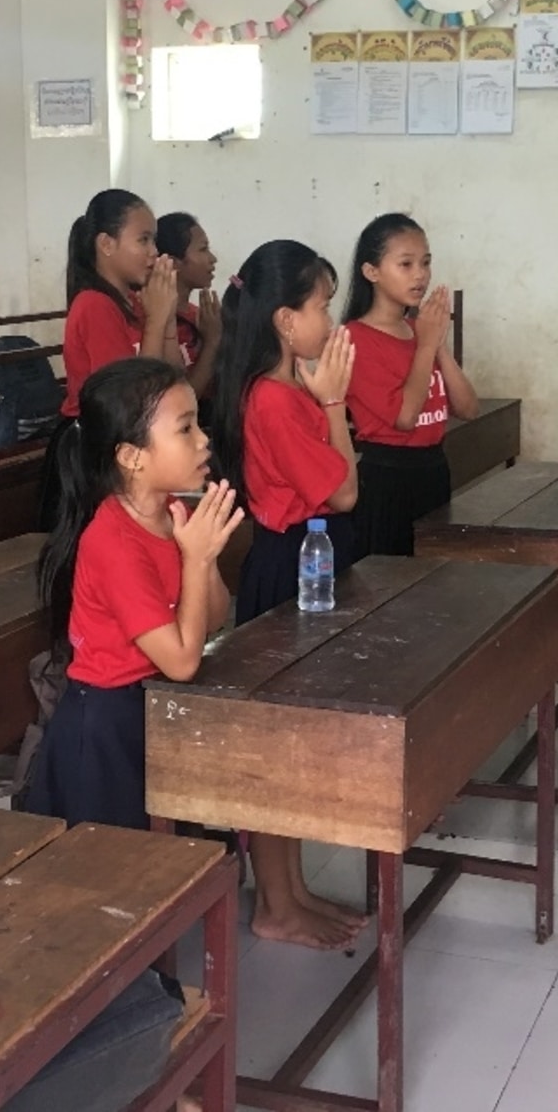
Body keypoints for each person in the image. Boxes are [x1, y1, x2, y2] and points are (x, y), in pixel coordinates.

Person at [210, 238, 368, 950]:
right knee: (275, 745)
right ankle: (275, 903)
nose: (331, 322)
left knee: (294, 738)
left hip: (300, 559)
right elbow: (344, 486)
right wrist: (334, 402)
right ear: (282, 318)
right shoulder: (274, 399)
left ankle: (293, 890)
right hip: (283, 567)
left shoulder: (284, 386)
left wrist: (325, 401)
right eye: (321, 305)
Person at [23, 359, 243, 831]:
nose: (204, 440)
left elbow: (215, 618)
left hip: (154, 707)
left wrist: (202, 559)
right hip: (107, 724)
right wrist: (197, 560)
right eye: (185, 429)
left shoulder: (173, 511)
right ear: (131, 456)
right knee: (115, 876)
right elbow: (183, 660)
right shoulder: (112, 541)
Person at [341, 214, 479, 556]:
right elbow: (404, 418)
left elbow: (468, 408)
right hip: (387, 480)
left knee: (432, 583)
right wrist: (427, 345)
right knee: (391, 585)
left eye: (426, 263)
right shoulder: (355, 339)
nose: (420, 274)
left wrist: (436, 343)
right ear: (372, 272)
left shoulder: (419, 331)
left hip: (433, 469)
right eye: (406, 264)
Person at [45, 191, 179, 533]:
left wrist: (166, 320)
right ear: (106, 244)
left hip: (126, 444)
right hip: (93, 450)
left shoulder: (134, 302)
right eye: (143, 240)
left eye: (155, 241)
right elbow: (130, 399)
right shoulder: (94, 305)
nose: (153, 253)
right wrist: (156, 319)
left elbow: (175, 380)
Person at [155, 211, 223, 403]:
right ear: (174, 263)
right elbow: (183, 401)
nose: (212, 259)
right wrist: (212, 342)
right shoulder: (154, 323)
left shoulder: (200, 317)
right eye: (203, 249)